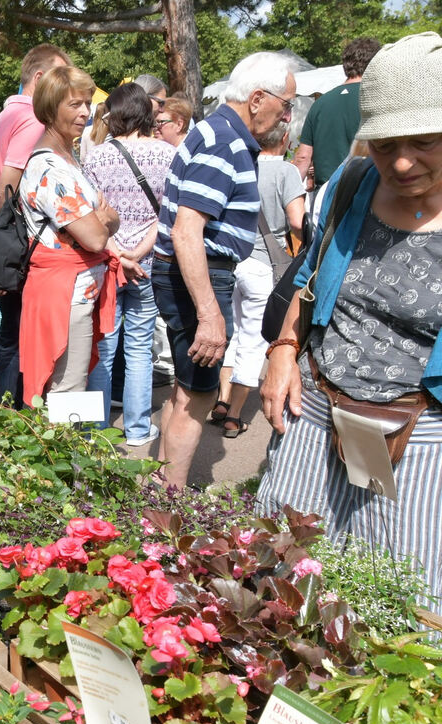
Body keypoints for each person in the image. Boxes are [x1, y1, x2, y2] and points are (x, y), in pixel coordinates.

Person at [259, 32, 442, 611]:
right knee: (283, 585)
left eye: (424, 141)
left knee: (403, 606)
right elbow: (312, 277)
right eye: (385, 144)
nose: (402, 162)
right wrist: (283, 350)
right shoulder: (355, 181)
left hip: (423, 443)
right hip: (315, 417)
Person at [151, 51, 296, 488]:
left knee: (186, 391)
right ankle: (168, 503)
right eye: (286, 104)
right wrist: (210, 314)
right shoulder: (224, 141)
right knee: (197, 396)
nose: (287, 115)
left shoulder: (219, 134)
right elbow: (186, 231)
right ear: (257, 98)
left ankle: (159, 492)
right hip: (199, 276)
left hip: (194, 274)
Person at [0, 44, 73, 407]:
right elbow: (6, 190)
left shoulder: (3, 117)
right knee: (27, 343)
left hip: (13, 249)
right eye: (60, 79)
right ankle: (15, 421)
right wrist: (12, 235)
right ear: (40, 78)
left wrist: (1, 232)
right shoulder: (33, 120)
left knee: (12, 337)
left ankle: (3, 419)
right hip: (28, 253)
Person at [17, 66, 121, 406]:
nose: (85, 112)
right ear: (50, 108)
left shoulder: (68, 159)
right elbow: (95, 238)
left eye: (87, 103)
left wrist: (104, 220)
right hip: (64, 297)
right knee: (67, 396)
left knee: (69, 392)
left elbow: (109, 221)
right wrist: (102, 219)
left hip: (75, 293)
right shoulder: (51, 169)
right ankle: (65, 446)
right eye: (75, 104)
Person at [83, 82, 176, 445]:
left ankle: (96, 431)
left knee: (104, 347)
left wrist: (120, 254)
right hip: (148, 265)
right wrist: (138, 253)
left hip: (108, 264)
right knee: (139, 349)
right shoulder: (167, 155)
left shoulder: (96, 158)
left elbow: (91, 215)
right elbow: (167, 214)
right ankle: (138, 428)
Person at [212, 123, 304, 437]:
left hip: (232, 260)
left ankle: (222, 399)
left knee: (233, 334)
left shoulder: (241, 166)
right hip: (264, 266)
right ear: (285, 139)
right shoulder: (286, 172)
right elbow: (297, 220)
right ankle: (234, 415)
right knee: (253, 341)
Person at [293, 37, 381, 189]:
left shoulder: (319, 103)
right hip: (366, 188)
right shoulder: (376, 99)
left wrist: (293, 191)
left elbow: (303, 157)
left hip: (326, 191)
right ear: (375, 64)